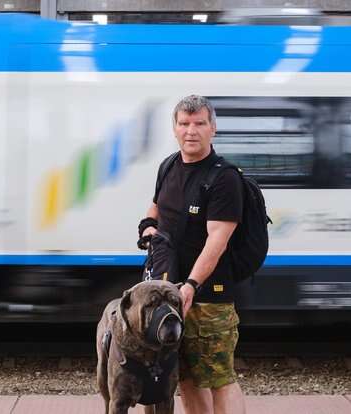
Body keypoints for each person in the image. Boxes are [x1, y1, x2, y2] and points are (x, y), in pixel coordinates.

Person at [139, 95, 246, 414]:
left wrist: (191, 284)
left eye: (199, 123)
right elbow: (158, 205)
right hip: (169, 292)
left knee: (219, 379)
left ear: (213, 128)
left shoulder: (224, 177)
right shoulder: (169, 165)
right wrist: (148, 224)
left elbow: (218, 239)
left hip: (208, 297)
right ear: (174, 128)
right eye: (184, 123)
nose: (191, 130)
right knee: (186, 378)